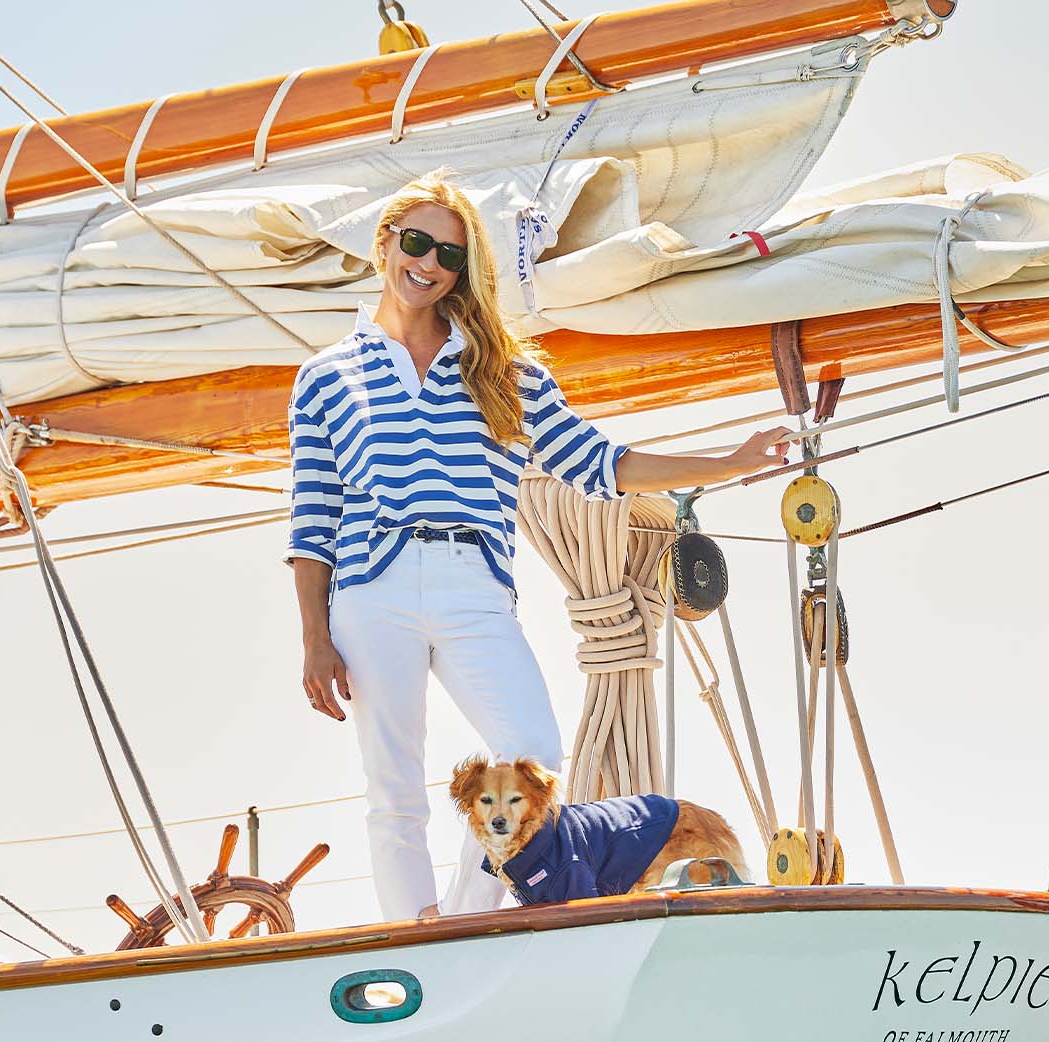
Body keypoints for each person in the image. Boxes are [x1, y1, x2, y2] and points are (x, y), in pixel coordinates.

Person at [285, 173, 787, 922]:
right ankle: (408, 928)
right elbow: (313, 518)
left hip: (473, 584)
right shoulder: (325, 377)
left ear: (464, 272)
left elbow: (602, 463)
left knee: (533, 749)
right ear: (384, 244)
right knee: (392, 782)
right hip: (370, 587)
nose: (429, 264)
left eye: (449, 256)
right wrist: (314, 638)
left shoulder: (507, 374)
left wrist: (730, 462)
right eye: (416, 243)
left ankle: (459, 916)